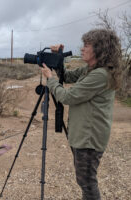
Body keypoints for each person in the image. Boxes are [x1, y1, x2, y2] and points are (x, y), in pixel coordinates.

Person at [41, 28, 122, 200]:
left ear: (100, 50)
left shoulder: (100, 75)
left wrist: (50, 79)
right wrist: (59, 59)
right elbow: (68, 77)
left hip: (89, 138)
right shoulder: (91, 69)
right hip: (84, 135)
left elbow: (67, 96)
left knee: (86, 182)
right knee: (85, 180)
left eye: (87, 45)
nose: (82, 49)